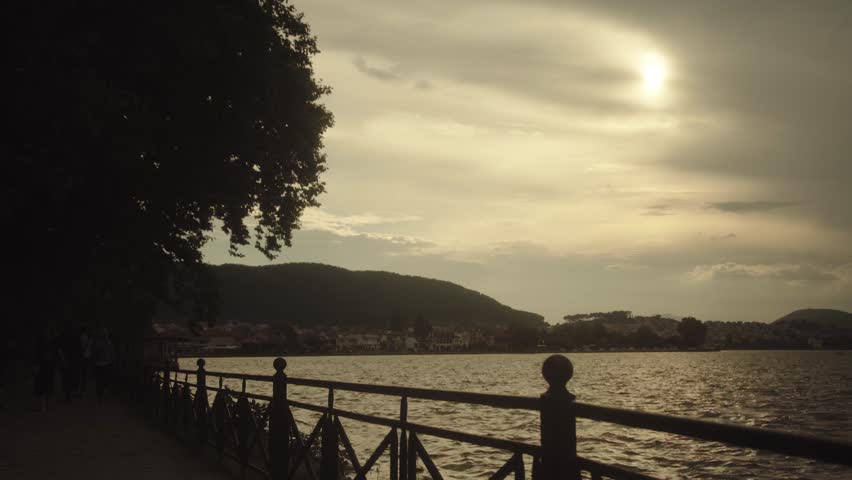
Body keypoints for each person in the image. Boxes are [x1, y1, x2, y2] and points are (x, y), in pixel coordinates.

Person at [33, 326, 58, 411]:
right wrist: (36, 365)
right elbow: (36, 354)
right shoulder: (40, 341)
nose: (48, 333)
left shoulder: (53, 341)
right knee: (42, 385)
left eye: (49, 331)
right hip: (42, 366)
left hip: (50, 366)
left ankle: (46, 403)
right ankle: (43, 405)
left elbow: (55, 353)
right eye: (47, 331)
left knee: (49, 385)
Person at [91, 327, 115, 403]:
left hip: (100, 364)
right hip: (105, 364)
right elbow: (112, 353)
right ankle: (102, 394)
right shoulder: (108, 342)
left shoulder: (97, 342)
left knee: (100, 380)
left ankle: (100, 394)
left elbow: (93, 353)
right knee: (104, 379)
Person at [79, 327, 92, 394]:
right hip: (87, 357)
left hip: (80, 357)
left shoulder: (79, 337)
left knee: (80, 373)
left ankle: (80, 388)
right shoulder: (89, 338)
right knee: (85, 374)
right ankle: (84, 388)